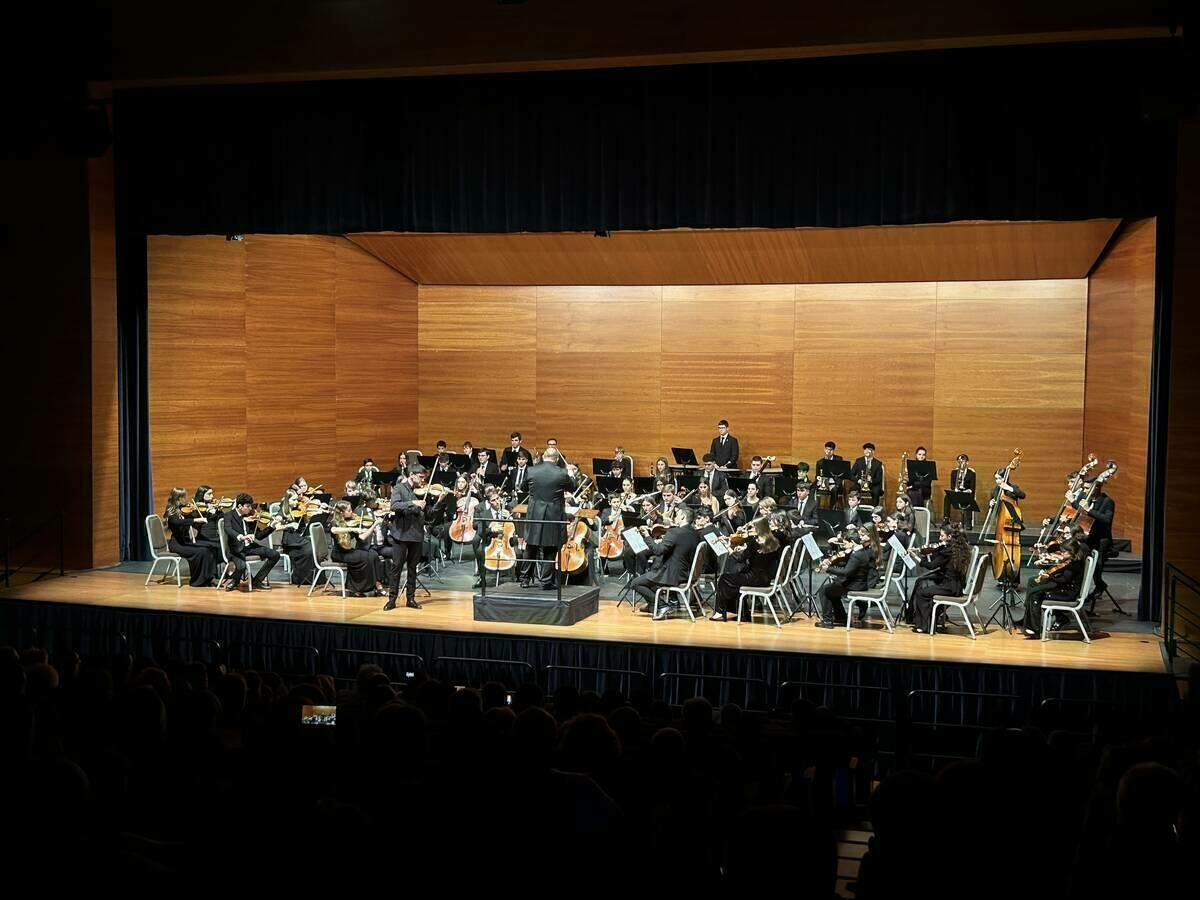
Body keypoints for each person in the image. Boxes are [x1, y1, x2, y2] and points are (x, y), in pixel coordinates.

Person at [630, 507, 701, 618]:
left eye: (677, 515)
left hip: (672, 575)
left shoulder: (674, 532)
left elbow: (658, 551)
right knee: (650, 580)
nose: (675, 517)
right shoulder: (695, 533)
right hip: (687, 574)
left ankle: (662, 605)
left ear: (682, 517)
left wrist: (647, 536)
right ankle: (653, 605)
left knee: (635, 583)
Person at [1022, 523, 1089, 637]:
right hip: (1065, 588)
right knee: (1034, 587)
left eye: (1064, 552)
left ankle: (1034, 628)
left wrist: (1050, 576)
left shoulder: (1074, 563)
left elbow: (1064, 580)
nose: (1062, 554)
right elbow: (1064, 573)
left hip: (1068, 592)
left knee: (1035, 593)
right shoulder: (1072, 558)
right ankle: (1030, 624)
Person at [523, 448, 576, 588]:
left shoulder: (532, 470)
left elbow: (523, 487)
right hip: (553, 514)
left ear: (544, 457)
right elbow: (573, 487)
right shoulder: (562, 473)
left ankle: (524, 579)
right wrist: (571, 474)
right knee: (551, 547)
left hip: (534, 514)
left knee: (531, 546)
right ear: (557, 459)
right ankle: (546, 581)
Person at [712, 517, 782, 621]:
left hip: (753, 578)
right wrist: (746, 549)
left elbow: (740, 559)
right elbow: (759, 555)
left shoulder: (755, 542)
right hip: (766, 579)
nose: (751, 529)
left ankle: (720, 612)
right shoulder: (774, 541)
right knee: (734, 579)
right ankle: (743, 612)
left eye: (753, 527)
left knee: (724, 578)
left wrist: (728, 547)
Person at [909, 525, 971, 633]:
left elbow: (931, 565)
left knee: (922, 593)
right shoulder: (958, 548)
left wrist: (916, 557)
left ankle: (923, 626)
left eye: (942, 536)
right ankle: (930, 620)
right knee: (925, 585)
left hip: (950, 588)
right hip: (957, 586)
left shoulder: (947, 552)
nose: (939, 538)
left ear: (949, 537)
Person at [384, 465, 428, 610]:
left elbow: (428, 514)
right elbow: (395, 505)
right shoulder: (399, 488)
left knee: (412, 568)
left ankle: (411, 598)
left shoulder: (420, 492)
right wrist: (413, 503)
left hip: (416, 534)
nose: (422, 481)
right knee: (396, 568)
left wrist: (438, 501)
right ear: (412, 475)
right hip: (401, 534)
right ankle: (392, 599)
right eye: (420, 477)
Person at [814, 528, 875, 627]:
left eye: (846, 543)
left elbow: (846, 572)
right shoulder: (861, 551)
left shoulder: (857, 555)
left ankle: (827, 621)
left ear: (852, 543)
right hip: (858, 583)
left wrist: (828, 569)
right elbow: (850, 566)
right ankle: (841, 617)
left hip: (855, 585)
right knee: (832, 589)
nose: (844, 546)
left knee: (825, 590)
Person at [222, 493, 281, 591]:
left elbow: (259, 536)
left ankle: (257, 581)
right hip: (236, 549)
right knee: (241, 566)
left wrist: (272, 526)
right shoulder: (229, 515)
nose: (250, 509)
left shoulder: (250, 517)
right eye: (248, 506)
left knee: (275, 555)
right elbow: (228, 529)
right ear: (240, 506)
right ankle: (234, 580)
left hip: (250, 547)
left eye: (250, 506)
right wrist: (241, 537)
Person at [328, 501, 387, 597]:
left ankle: (378, 585)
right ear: (342, 512)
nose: (352, 512)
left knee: (373, 554)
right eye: (349, 510)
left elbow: (362, 537)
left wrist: (374, 525)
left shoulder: (352, 521)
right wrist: (352, 529)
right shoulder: (335, 522)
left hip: (348, 552)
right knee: (364, 557)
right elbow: (334, 530)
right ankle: (357, 589)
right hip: (339, 554)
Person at [162, 488, 217, 587]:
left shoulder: (185, 511)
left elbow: (195, 524)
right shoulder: (172, 512)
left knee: (209, 549)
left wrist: (207, 514)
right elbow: (176, 522)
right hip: (177, 544)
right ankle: (197, 581)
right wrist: (195, 520)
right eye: (184, 497)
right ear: (178, 498)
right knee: (201, 552)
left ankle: (210, 578)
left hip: (186, 542)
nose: (186, 499)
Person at [1077, 474, 1116, 606]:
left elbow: (1106, 520)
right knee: (1080, 561)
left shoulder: (1107, 501)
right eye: (1084, 488)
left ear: (1097, 487)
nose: (1085, 491)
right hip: (1088, 537)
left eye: (1088, 488)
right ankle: (1078, 591)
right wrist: (1073, 500)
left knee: (1096, 566)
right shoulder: (1084, 497)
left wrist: (1089, 510)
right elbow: (1077, 507)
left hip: (1102, 540)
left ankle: (1100, 585)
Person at [473, 486, 517, 589]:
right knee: (480, 551)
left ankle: (518, 579)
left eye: (498, 499)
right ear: (489, 503)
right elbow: (479, 530)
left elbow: (516, 527)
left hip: (507, 542)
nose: (497, 502)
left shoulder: (508, 509)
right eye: (493, 500)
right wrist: (490, 529)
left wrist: (510, 518)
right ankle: (482, 577)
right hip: (490, 541)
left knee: (519, 552)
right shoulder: (484, 514)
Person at [850, 443, 884, 507]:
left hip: (873, 485)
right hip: (860, 484)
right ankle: (854, 508)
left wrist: (871, 480)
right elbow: (851, 474)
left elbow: (879, 479)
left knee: (876, 491)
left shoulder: (878, 463)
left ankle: (873, 510)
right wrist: (858, 480)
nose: (867, 451)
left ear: (873, 452)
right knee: (853, 489)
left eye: (869, 449)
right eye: (865, 449)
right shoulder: (859, 461)